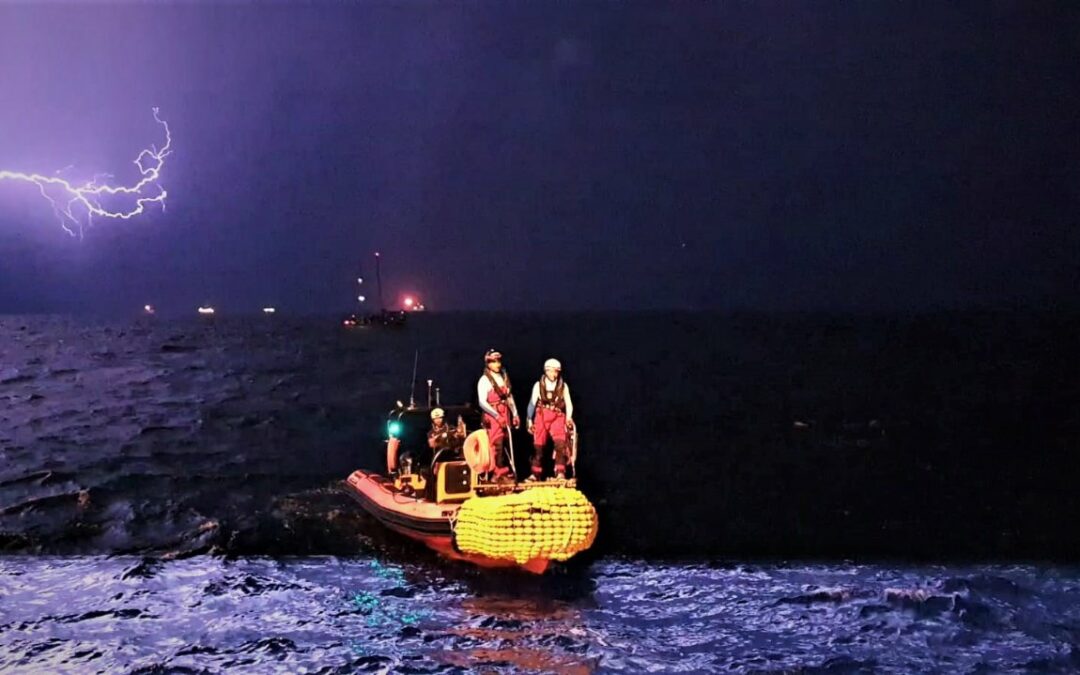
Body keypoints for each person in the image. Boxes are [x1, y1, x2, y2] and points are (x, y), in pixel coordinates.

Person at [526, 358, 574, 480]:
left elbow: (569, 404)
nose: (554, 374)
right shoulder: (538, 385)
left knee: (560, 443)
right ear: (546, 371)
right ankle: (535, 473)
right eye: (552, 371)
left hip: (557, 416)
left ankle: (560, 472)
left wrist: (568, 418)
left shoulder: (563, 386)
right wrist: (529, 419)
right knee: (538, 445)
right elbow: (532, 403)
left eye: (556, 371)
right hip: (542, 415)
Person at [477, 349, 520, 481]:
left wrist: (515, 414)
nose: (498, 364)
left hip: (505, 411)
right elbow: (482, 402)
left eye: (498, 361)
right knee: (497, 443)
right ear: (488, 363)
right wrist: (496, 416)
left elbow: (508, 397)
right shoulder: (484, 380)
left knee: (507, 441)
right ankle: (497, 472)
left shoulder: (503, 377)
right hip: (493, 414)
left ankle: (506, 470)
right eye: (494, 362)